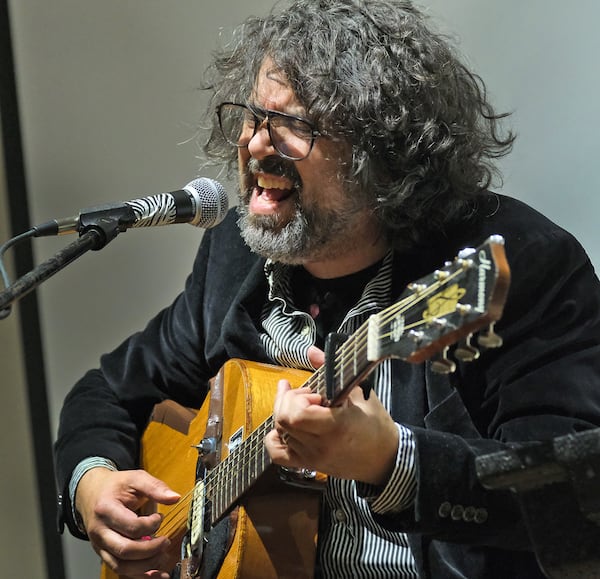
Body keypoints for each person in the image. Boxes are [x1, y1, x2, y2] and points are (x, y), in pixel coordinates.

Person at [54, 0, 600, 577]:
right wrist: (92, 481)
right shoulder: (233, 258)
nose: (257, 145)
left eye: (294, 125)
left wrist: (394, 463)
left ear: (381, 154)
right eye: (252, 116)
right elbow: (106, 391)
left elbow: (577, 496)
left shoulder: (519, 263)